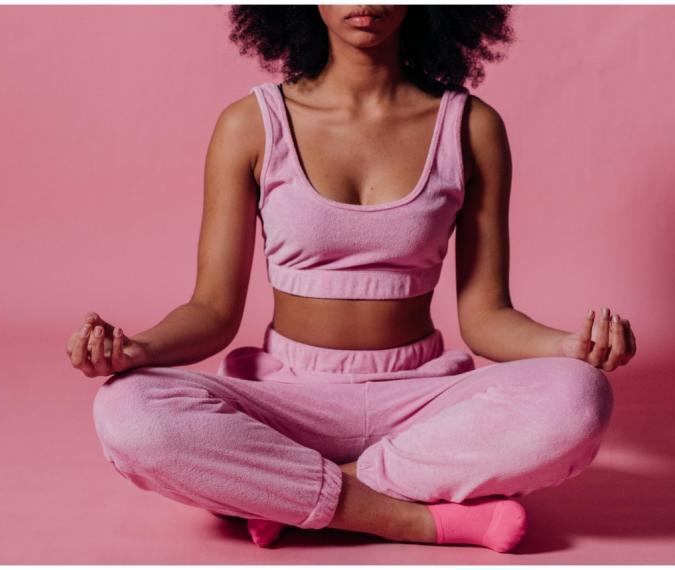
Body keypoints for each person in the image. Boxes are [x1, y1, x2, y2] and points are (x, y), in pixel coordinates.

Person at [66, 5, 637, 553]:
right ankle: (411, 521)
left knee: (579, 396)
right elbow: (212, 311)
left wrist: (568, 348)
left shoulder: (471, 126)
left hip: (420, 399)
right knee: (128, 410)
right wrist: (137, 349)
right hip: (284, 401)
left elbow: (486, 318)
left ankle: (283, 494)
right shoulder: (250, 125)